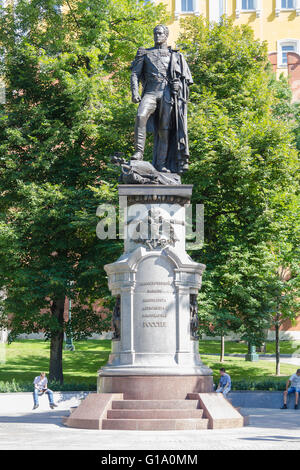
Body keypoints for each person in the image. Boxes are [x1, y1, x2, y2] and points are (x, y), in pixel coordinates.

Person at [130, 24, 193, 174]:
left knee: (164, 130)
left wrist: (178, 85)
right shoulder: (144, 53)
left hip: (167, 94)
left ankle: (161, 164)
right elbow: (134, 74)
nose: (157, 36)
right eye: (155, 33)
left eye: (160, 33)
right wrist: (134, 92)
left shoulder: (175, 55)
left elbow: (185, 80)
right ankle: (138, 153)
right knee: (140, 116)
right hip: (150, 92)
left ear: (166, 35)